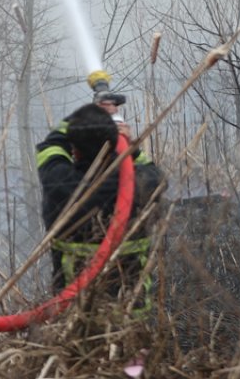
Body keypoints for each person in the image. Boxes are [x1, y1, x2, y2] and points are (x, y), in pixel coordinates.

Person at [36, 101, 166, 317]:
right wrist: (126, 143)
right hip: (132, 317)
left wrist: (81, 120)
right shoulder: (144, 185)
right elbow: (149, 168)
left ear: (74, 151)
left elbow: (50, 149)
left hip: (75, 316)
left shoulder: (59, 184)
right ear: (114, 144)